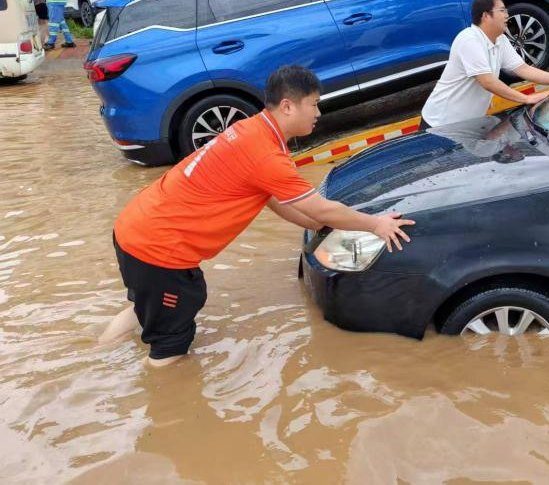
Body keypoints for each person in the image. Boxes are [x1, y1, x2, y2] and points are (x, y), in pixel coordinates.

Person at [98, 65, 415, 367]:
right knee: (171, 344)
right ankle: (145, 399)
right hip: (159, 252)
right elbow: (320, 206)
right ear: (288, 106)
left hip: (133, 229)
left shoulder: (250, 130)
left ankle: (99, 358)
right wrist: (376, 224)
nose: (319, 113)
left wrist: (317, 225)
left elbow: (275, 200)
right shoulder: (265, 153)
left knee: (144, 309)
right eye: (314, 104)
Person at [419, 0, 549, 130]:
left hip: (465, 127)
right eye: (502, 10)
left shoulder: (500, 40)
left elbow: (523, 69)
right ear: (486, 16)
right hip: (439, 124)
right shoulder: (469, 40)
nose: (507, 15)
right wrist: (526, 99)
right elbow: (487, 82)